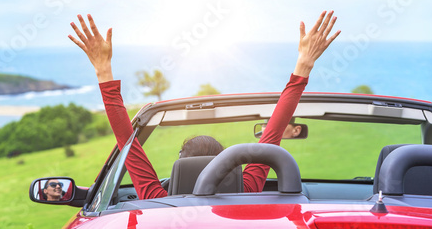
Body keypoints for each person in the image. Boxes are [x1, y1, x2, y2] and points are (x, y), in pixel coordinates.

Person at [68, 11, 340, 199]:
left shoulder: (157, 198)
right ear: (228, 166)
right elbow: (273, 132)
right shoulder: (248, 189)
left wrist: (103, 70)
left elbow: (127, 140)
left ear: (180, 166)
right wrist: (304, 64)